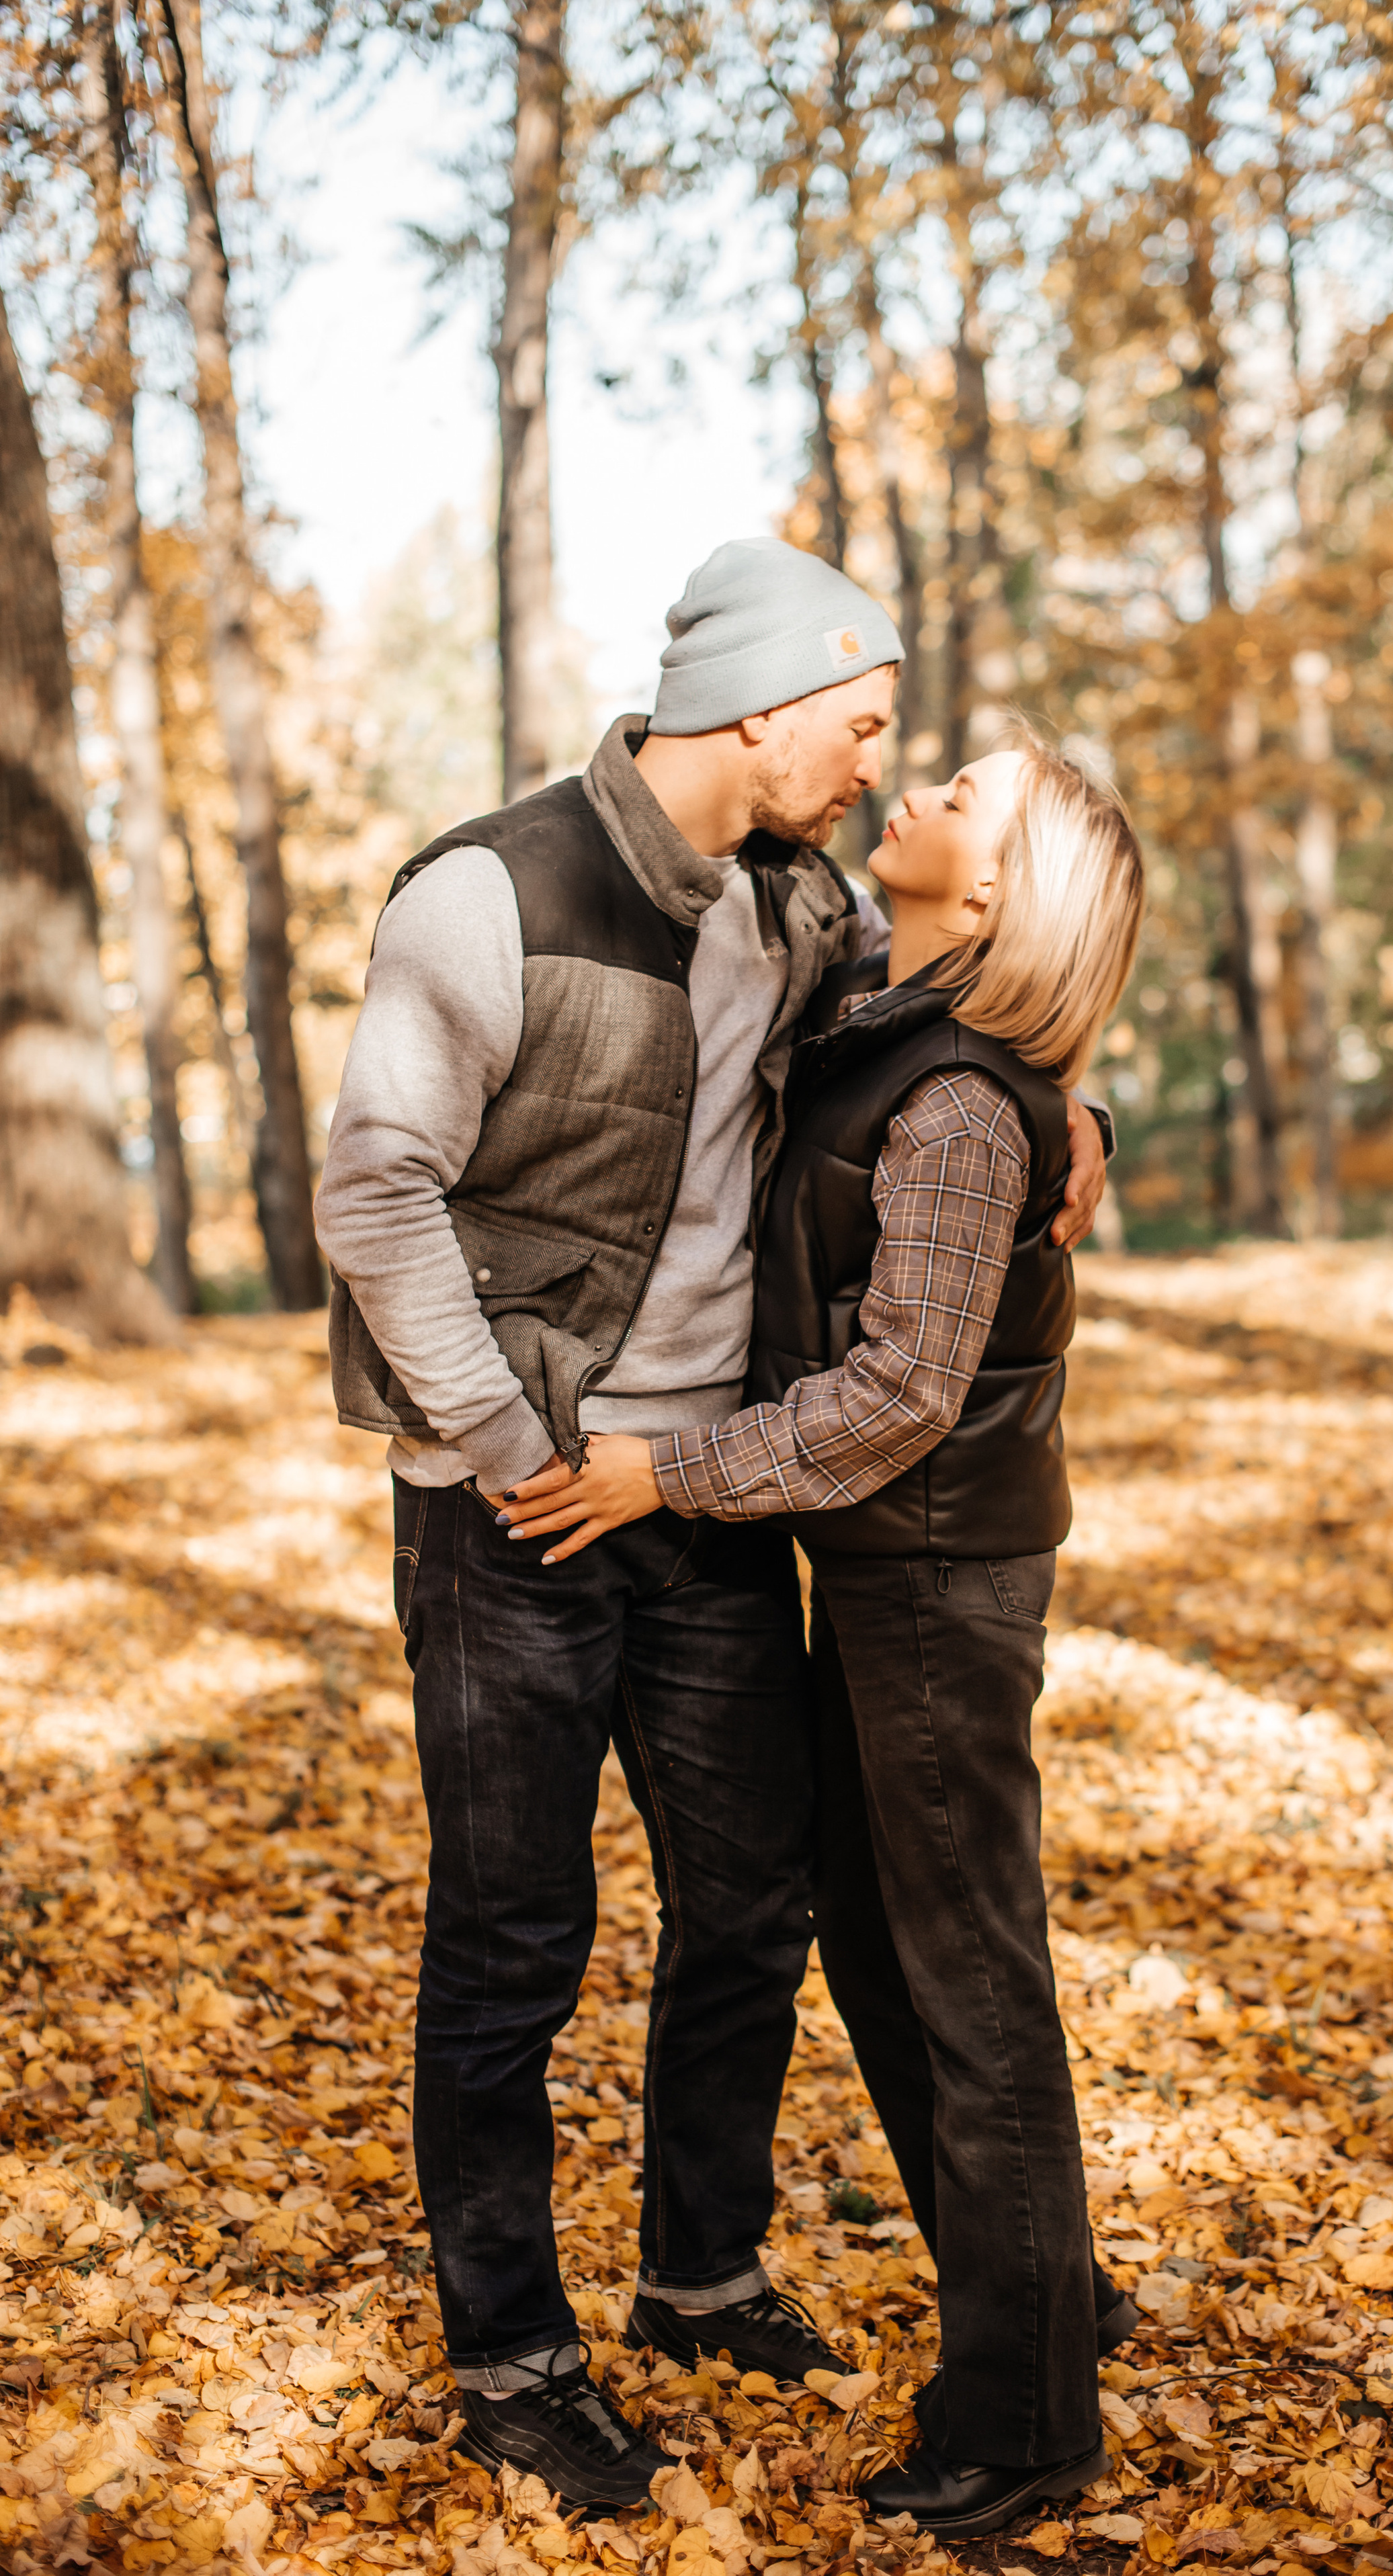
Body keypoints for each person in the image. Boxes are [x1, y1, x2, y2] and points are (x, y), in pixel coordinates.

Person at [314, 538, 1111, 2516]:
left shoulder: (804, 908)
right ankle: (513, 2353)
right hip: (511, 1499)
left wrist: (1081, 1112)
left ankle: (701, 2269)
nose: (873, 761)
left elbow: (965, 1040)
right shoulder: (484, 893)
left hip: (712, 1497)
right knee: (515, 1935)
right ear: (762, 705)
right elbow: (378, 1195)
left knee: (751, 1903)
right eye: (858, 723)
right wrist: (505, 1443)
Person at [500, 735, 1146, 2536]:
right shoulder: (889, 994)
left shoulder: (951, 1101)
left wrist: (664, 1476)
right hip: (881, 1577)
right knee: (885, 1951)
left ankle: (1023, 2430)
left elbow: (893, 1399)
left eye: (966, 789)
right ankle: (1050, 2296)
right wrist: (1090, 1108)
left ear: (1001, 885)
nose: (920, 780)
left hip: (935, 1585)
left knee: (971, 1988)